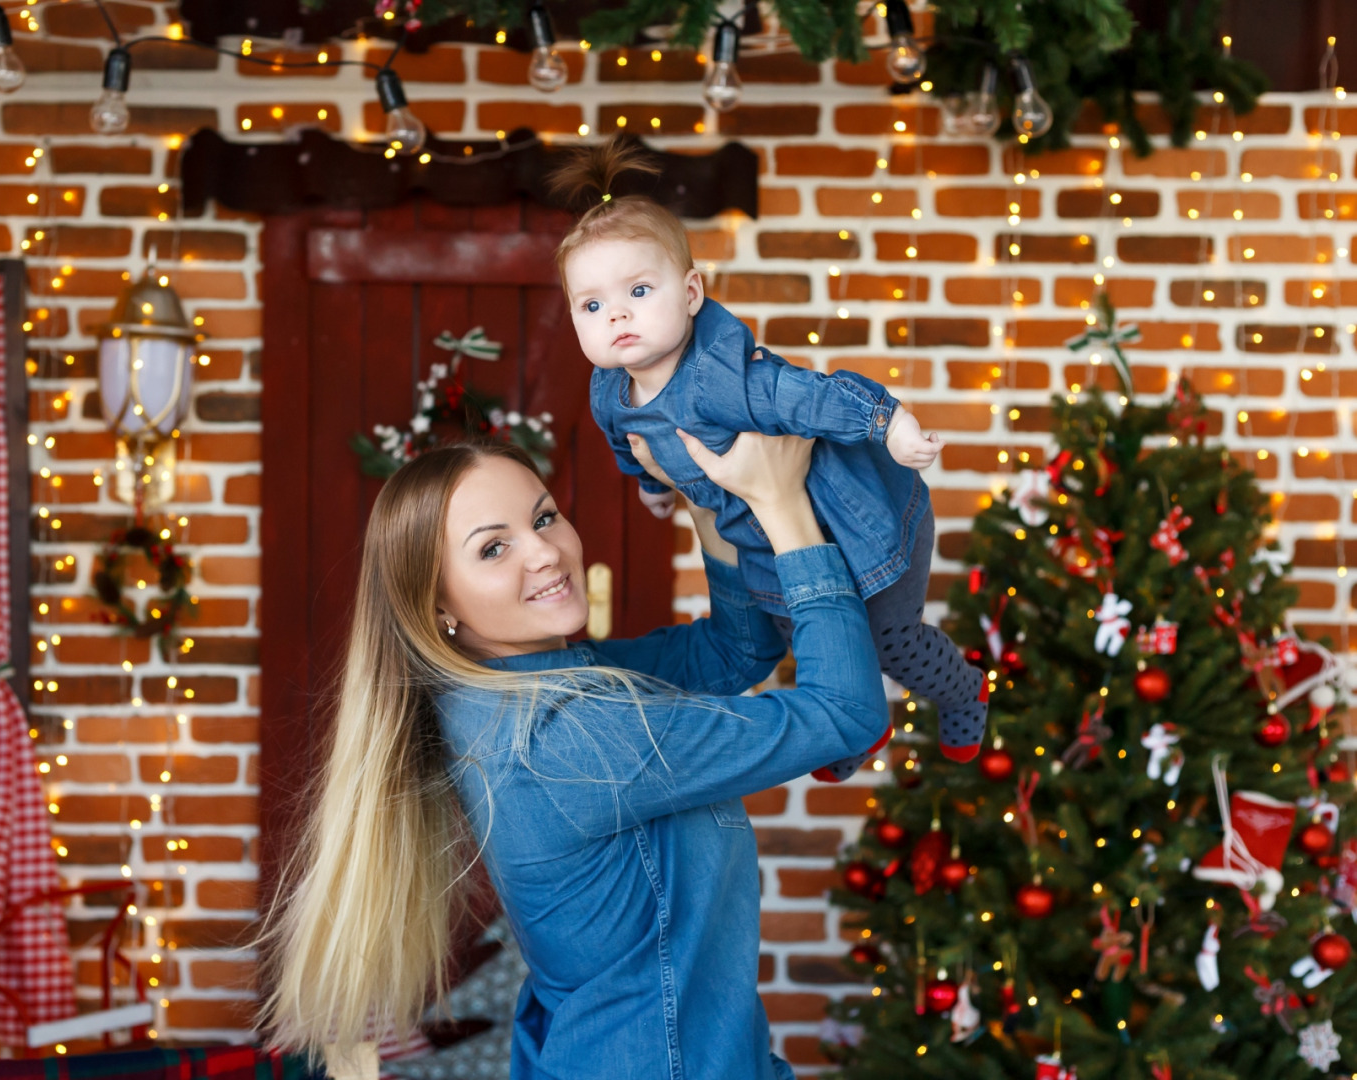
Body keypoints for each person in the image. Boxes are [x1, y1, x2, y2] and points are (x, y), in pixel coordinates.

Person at [260, 429, 888, 1080]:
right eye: (494, 547)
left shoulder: (523, 686)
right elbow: (846, 713)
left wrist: (704, 501)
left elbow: (731, 655)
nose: (545, 552)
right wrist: (781, 504)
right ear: (437, 604)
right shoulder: (564, 738)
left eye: (544, 518)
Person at [550, 141, 987, 774]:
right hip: (768, 540)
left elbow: (814, 395)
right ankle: (859, 727)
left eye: (639, 290)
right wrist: (651, 486)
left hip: (864, 519)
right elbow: (626, 444)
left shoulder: (725, 376)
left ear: (692, 291)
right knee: (796, 628)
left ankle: (965, 690)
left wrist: (888, 423)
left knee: (891, 641)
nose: (615, 313)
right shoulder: (609, 389)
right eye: (591, 305)